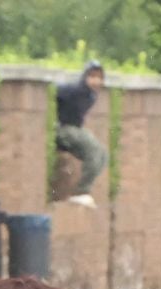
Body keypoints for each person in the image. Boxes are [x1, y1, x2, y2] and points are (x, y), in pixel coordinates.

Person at [54, 61, 107, 208]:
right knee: (94, 151)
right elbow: (54, 92)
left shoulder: (91, 95)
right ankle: (81, 192)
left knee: (102, 154)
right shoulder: (76, 90)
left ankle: (84, 191)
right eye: (92, 77)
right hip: (63, 128)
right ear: (85, 77)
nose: (96, 81)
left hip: (75, 128)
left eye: (99, 78)